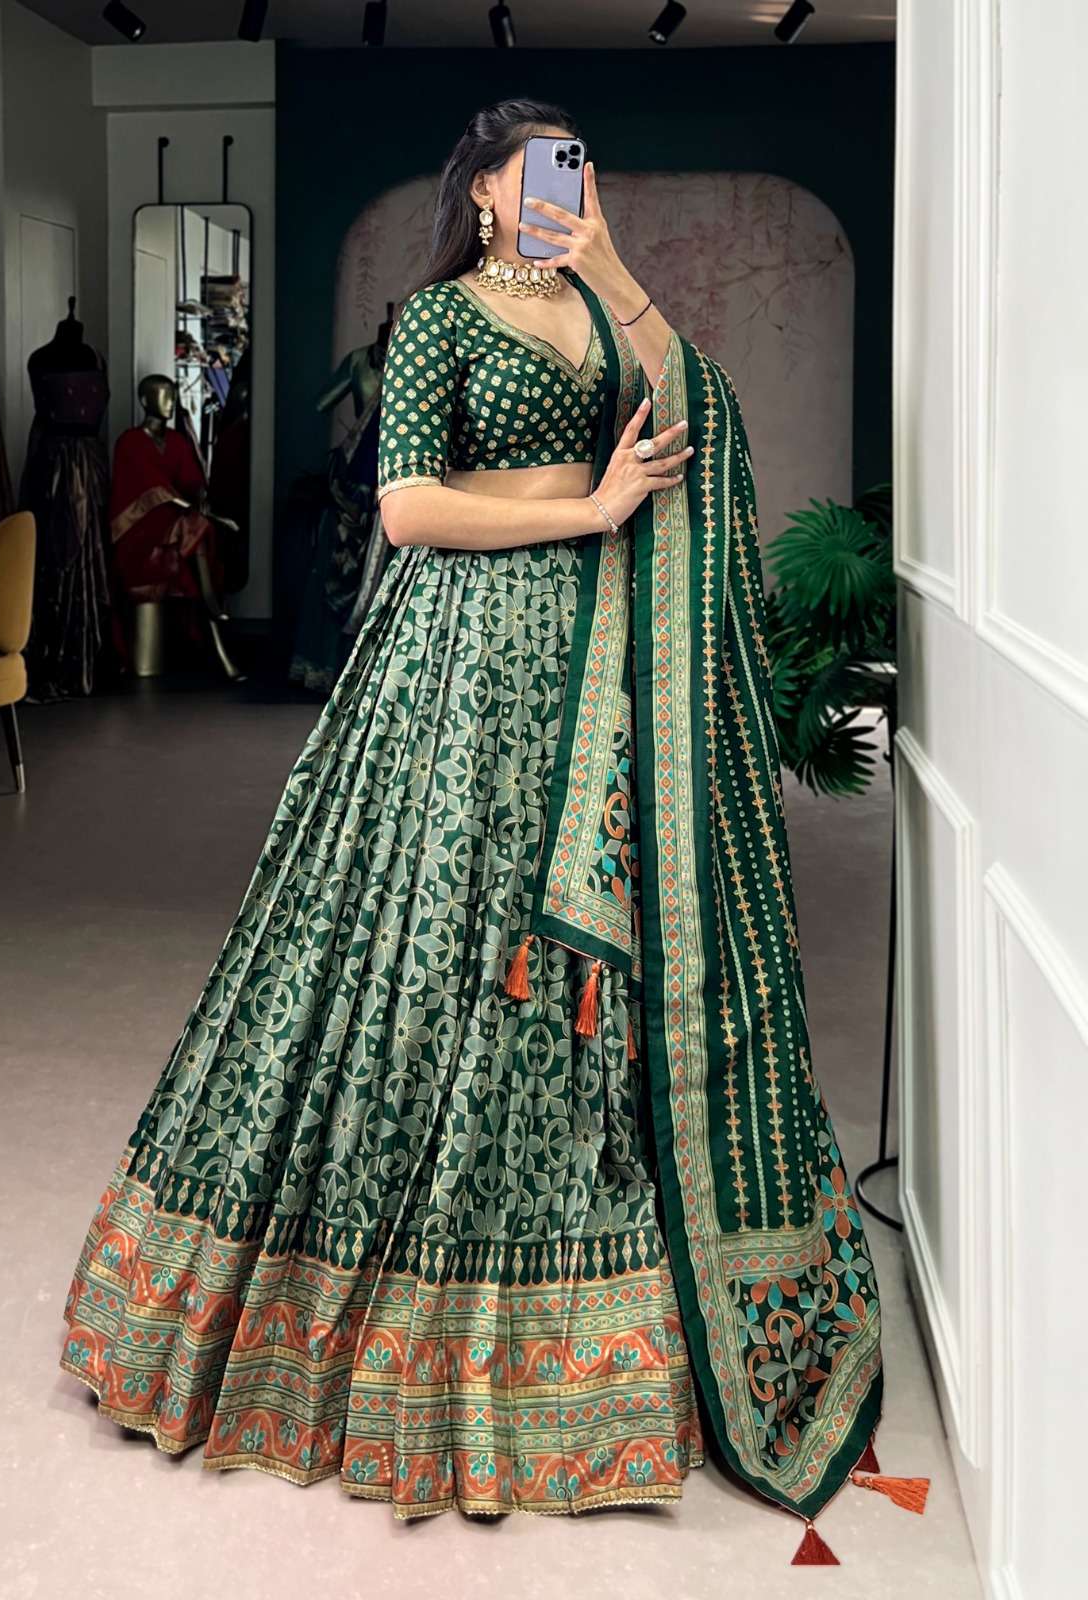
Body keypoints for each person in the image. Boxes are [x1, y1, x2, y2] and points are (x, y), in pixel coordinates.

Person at [59, 99, 898, 1549]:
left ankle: (616, 1290)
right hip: (465, 663)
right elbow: (406, 509)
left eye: (585, 164)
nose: (573, 183)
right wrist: (589, 511)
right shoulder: (441, 318)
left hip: (601, 658)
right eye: (545, 168)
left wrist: (615, 265)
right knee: (449, 930)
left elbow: (701, 417)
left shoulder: (604, 308)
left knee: (595, 955)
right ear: (488, 194)